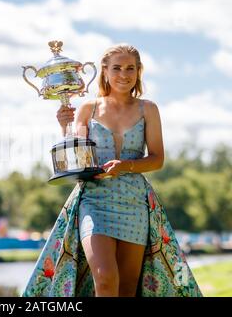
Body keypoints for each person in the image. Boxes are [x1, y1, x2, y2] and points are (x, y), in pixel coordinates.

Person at [22, 43, 202, 297]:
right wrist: (66, 128)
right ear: (104, 71)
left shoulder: (148, 109)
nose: (124, 74)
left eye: (130, 68)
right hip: (94, 200)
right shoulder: (88, 108)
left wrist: (125, 166)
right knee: (105, 278)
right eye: (116, 68)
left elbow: (157, 159)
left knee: (127, 288)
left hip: (134, 202)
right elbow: (78, 157)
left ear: (139, 71)